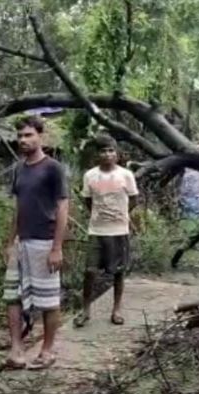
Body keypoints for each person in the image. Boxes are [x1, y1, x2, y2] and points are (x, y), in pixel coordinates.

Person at [2, 116, 69, 369]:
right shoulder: (19, 168)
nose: (23, 140)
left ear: (41, 136)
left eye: (29, 135)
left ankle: (47, 350)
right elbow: (18, 207)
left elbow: (63, 207)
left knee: (49, 300)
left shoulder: (53, 168)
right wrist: (11, 242)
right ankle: (16, 349)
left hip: (44, 241)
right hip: (22, 242)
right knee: (13, 296)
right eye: (20, 136)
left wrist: (57, 247)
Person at [74, 134, 139, 327]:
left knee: (118, 272)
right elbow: (87, 200)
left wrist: (122, 214)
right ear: (97, 155)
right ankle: (85, 310)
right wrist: (98, 214)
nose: (107, 154)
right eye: (103, 151)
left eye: (111, 151)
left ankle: (116, 310)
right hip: (97, 231)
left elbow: (134, 198)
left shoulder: (126, 175)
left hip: (119, 231)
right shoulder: (90, 176)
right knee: (90, 271)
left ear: (117, 154)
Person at [178, 167, 199, 251]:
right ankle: (191, 242)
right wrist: (179, 196)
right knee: (188, 221)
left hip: (198, 198)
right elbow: (179, 183)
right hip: (186, 199)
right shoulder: (183, 166)